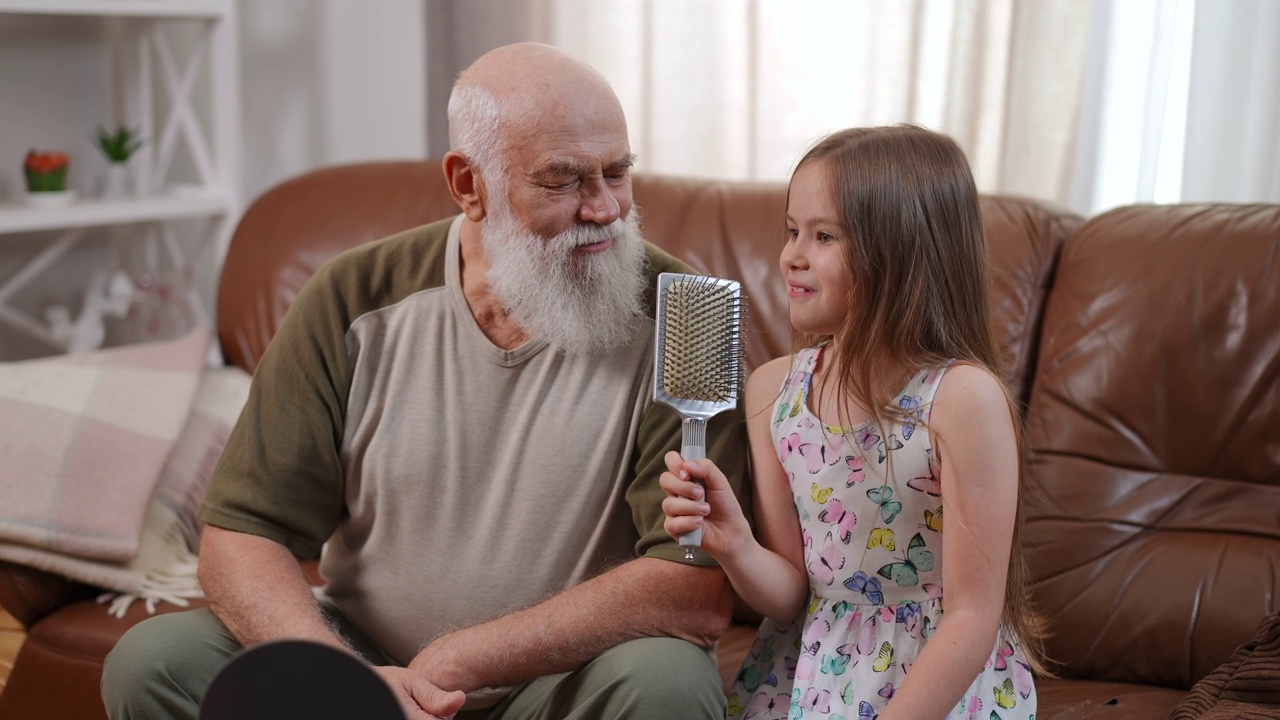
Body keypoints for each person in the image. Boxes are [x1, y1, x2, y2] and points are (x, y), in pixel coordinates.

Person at [101, 42, 748, 720]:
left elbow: (691, 591)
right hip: (362, 662)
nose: (606, 208)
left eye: (618, 173)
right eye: (563, 181)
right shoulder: (351, 298)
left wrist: (455, 661)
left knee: (669, 680)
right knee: (156, 663)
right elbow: (243, 535)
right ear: (468, 184)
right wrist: (347, 678)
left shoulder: (687, 316)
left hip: (559, 686)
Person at [660, 125, 1047, 720]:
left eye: (824, 236)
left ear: (901, 252)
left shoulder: (964, 400)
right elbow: (791, 595)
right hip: (809, 673)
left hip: (934, 684)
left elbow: (972, 615)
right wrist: (734, 543)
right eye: (792, 231)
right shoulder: (773, 392)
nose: (792, 254)